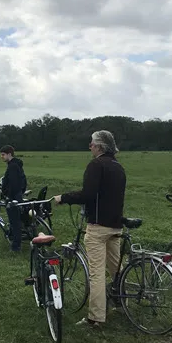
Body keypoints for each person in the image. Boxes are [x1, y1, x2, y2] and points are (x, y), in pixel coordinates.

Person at [53, 130, 127, 328]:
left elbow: (88, 194)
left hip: (98, 227)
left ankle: (95, 318)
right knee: (116, 269)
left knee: (96, 273)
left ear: (100, 147)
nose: (90, 146)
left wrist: (64, 198)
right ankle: (122, 303)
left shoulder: (96, 165)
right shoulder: (118, 167)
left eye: (92, 144)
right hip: (116, 225)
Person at [0, 145, 27, 252]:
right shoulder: (16, 164)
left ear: (9, 154)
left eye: (3, 155)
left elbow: (14, 184)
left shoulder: (12, 166)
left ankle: (16, 247)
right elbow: (22, 181)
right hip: (17, 195)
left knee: (15, 222)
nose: (1, 157)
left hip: (13, 198)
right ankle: (13, 239)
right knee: (15, 221)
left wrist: (7, 195)